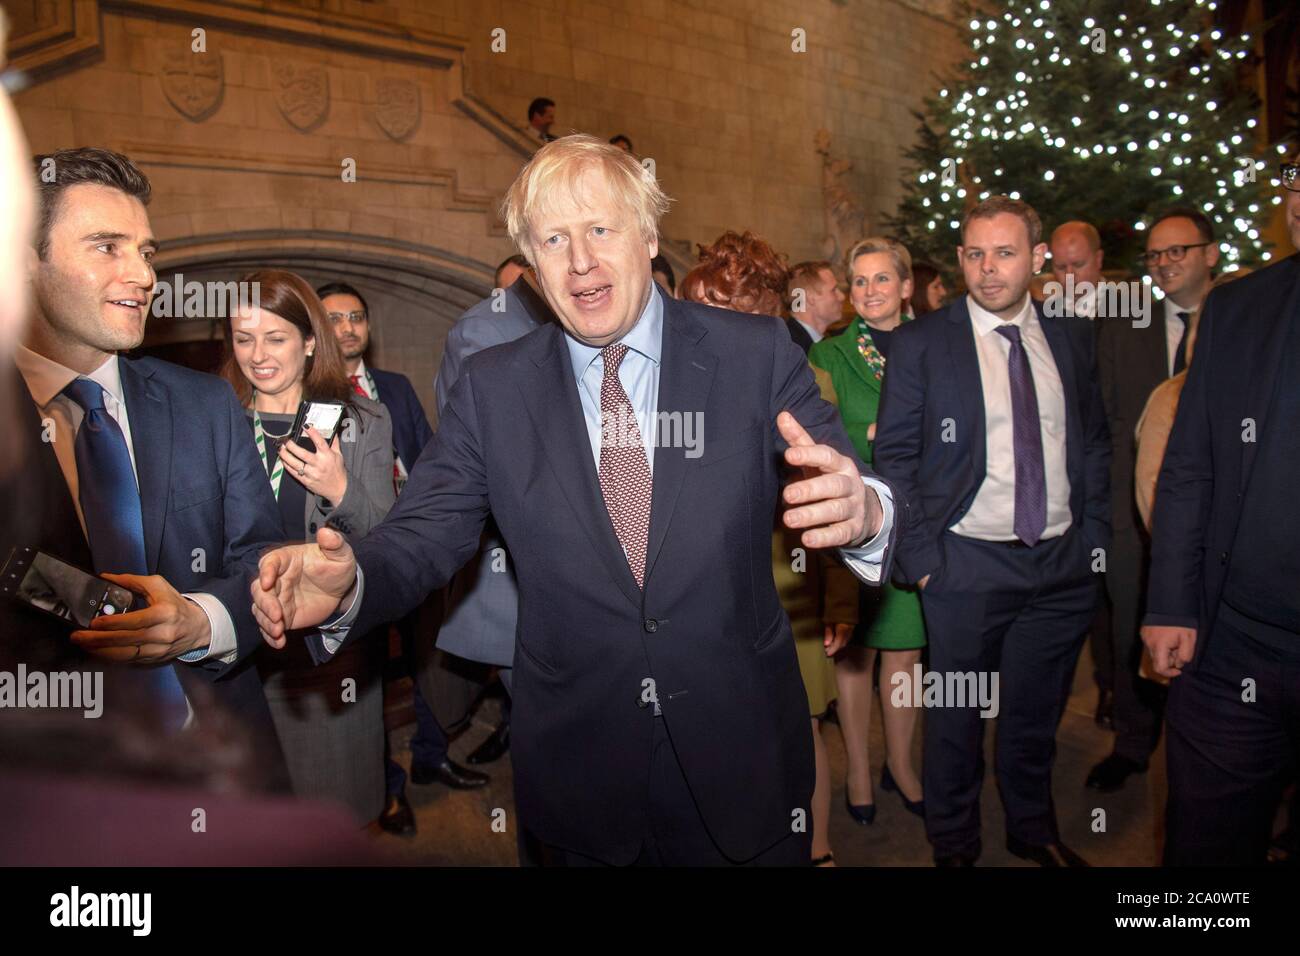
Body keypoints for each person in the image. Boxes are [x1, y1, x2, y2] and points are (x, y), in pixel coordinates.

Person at [252, 134, 898, 866]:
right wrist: (352, 581)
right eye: (553, 239)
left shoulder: (753, 354)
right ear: (530, 266)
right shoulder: (495, 388)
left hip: (742, 762)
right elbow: (425, 531)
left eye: (600, 229)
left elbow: (847, 475)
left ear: (648, 236)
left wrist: (867, 512)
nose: (581, 261)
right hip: (582, 780)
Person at [6, 147, 288, 784]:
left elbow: (262, 560)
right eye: (106, 246)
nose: (142, 274)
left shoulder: (205, 403)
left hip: (223, 761)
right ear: (26, 261)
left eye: (147, 251)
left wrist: (199, 622)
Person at [874, 196, 1109, 867]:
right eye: (975, 253)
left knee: (1036, 717)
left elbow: (1092, 441)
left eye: (1005, 253)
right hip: (964, 567)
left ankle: (1031, 829)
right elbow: (894, 457)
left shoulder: (1067, 334)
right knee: (955, 723)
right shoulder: (924, 341)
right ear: (959, 261)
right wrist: (922, 560)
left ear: (1037, 259)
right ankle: (954, 844)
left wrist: (1092, 539)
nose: (988, 268)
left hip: (1059, 567)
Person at [681, 231, 859, 866]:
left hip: (786, 582)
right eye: (691, 304)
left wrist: (840, 600)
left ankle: (817, 849)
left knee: (800, 725)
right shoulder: (670, 383)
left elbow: (837, 494)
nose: (696, 321)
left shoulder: (804, 381)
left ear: (758, 316)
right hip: (699, 590)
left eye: (715, 307)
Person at [1142, 157, 1300, 866]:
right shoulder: (1239, 309)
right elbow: (1190, 465)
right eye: (1299, 176)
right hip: (1233, 646)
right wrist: (1171, 602)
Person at [222, 269, 396, 823]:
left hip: (328, 658)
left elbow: (392, 544)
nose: (258, 355)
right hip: (240, 656)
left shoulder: (362, 419)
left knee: (333, 820)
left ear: (310, 341)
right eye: (244, 338)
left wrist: (340, 489)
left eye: (275, 339)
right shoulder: (214, 417)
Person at [318, 280, 486, 836]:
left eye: (357, 317)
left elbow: (428, 459)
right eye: (335, 318)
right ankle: (386, 790)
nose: (348, 328)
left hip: (417, 546)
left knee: (431, 659)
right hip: (356, 555)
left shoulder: (395, 386)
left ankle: (431, 755)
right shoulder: (312, 398)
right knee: (363, 682)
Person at [1086, 208, 1221, 794]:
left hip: (1218, 521)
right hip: (1130, 520)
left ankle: (1211, 746)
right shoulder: (1127, 326)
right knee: (1129, 632)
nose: (1164, 263)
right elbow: (1108, 429)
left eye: (1178, 251)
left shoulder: (1242, 317)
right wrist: (1112, 516)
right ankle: (1134, 743)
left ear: (1210, 254)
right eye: (1155, 255)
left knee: (1211, 634)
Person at [809, 238, 927, 824]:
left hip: (918, 520)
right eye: (859, 281)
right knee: (854, 654)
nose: (870, 291)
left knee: (905, 653)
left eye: (883, 279)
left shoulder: (935, 347)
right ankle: (857, 767)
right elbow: (816, 438)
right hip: (853, 521)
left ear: (906, 287)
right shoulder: (831, 355)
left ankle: (901, 764)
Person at [433, 263, 556, 774]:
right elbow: (499, 464)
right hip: (521, 582)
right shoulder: (486, 330)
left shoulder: (566, 319)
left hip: (573, 584)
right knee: (555, 747)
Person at [786, 259, 845, 353]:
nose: (842, 297)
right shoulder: (791, 348)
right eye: (834, 290)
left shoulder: (822, 341)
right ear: (810, 298)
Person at [1048, 221, 1105, 318]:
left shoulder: (1130, 313)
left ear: (1098, 259)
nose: (1069, 275)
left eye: (1078, 265)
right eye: (1060, 267)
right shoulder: (1042, 315)